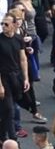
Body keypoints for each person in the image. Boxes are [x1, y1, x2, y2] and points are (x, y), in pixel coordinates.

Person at [0, 13, 28, 141]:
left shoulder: (18, 39)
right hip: (4, 77)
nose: (3, 26)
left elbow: (23, 59)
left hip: (16, 76)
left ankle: (2, 136)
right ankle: (12, 140)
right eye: (2, 23)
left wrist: (26, 78)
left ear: (14, 25)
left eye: (6, 24)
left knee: (8, 109)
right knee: (9, 109)